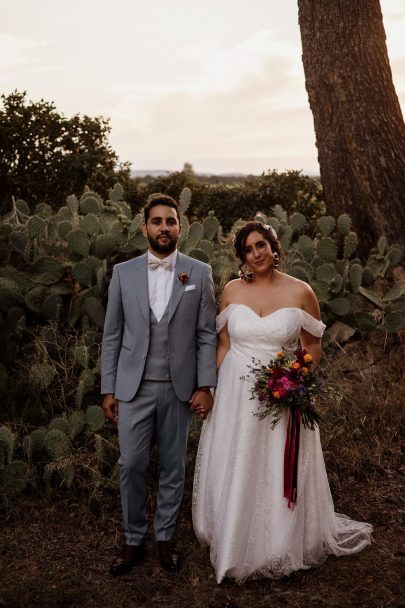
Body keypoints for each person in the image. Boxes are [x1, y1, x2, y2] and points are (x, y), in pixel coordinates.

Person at [192, 221, 372, 583]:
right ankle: (232, 536)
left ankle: (276, 542)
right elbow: (224, 344)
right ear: (242, 257)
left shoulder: (301, 291)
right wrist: (208, 387)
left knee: (275, 463)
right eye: (248, 249)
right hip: (236, 393)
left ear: (274, 248)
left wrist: (296, 379)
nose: (256, 253)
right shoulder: (230, 291)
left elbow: (313, 344)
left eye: (262, 245)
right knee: (237, 458)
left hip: (280, 391)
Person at [101, 193, 217, 576]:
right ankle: (133, 540)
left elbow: (205, 335)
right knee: (131, 464)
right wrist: (108, 389)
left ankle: (165, 539)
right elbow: (113, 335)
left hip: (180, 390)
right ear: (144, 227)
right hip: (133, 389)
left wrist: (205, 385)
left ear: (180, 227)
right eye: (157, 221)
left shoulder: (199, 273)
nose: (164, 227)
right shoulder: (123, 273)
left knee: (173, 467)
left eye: (171, 221)